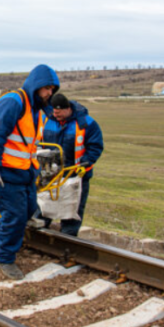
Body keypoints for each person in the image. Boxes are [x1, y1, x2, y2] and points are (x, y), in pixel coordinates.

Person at [0, 64, 59, 280]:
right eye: (47, 88)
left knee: (28, 211)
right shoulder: (13, 102)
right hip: (5, 171)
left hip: (25, 171)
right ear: (36, 86)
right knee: (14, 215)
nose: (49, 93)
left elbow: (28, 142)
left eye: (52, 90)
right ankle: (4, 258)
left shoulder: (37, 109)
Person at [37, 93, 103, 236]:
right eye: (54, 112)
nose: (56, 115)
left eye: (59, 113)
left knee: (72, 209)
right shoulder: (45, 120)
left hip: (75, 174)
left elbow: (95, 146)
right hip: (50, 173)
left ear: (68, 109)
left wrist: (86, 162)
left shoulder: (86, 123)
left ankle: (68, 237)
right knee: (43, 205)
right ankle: (38, 231)